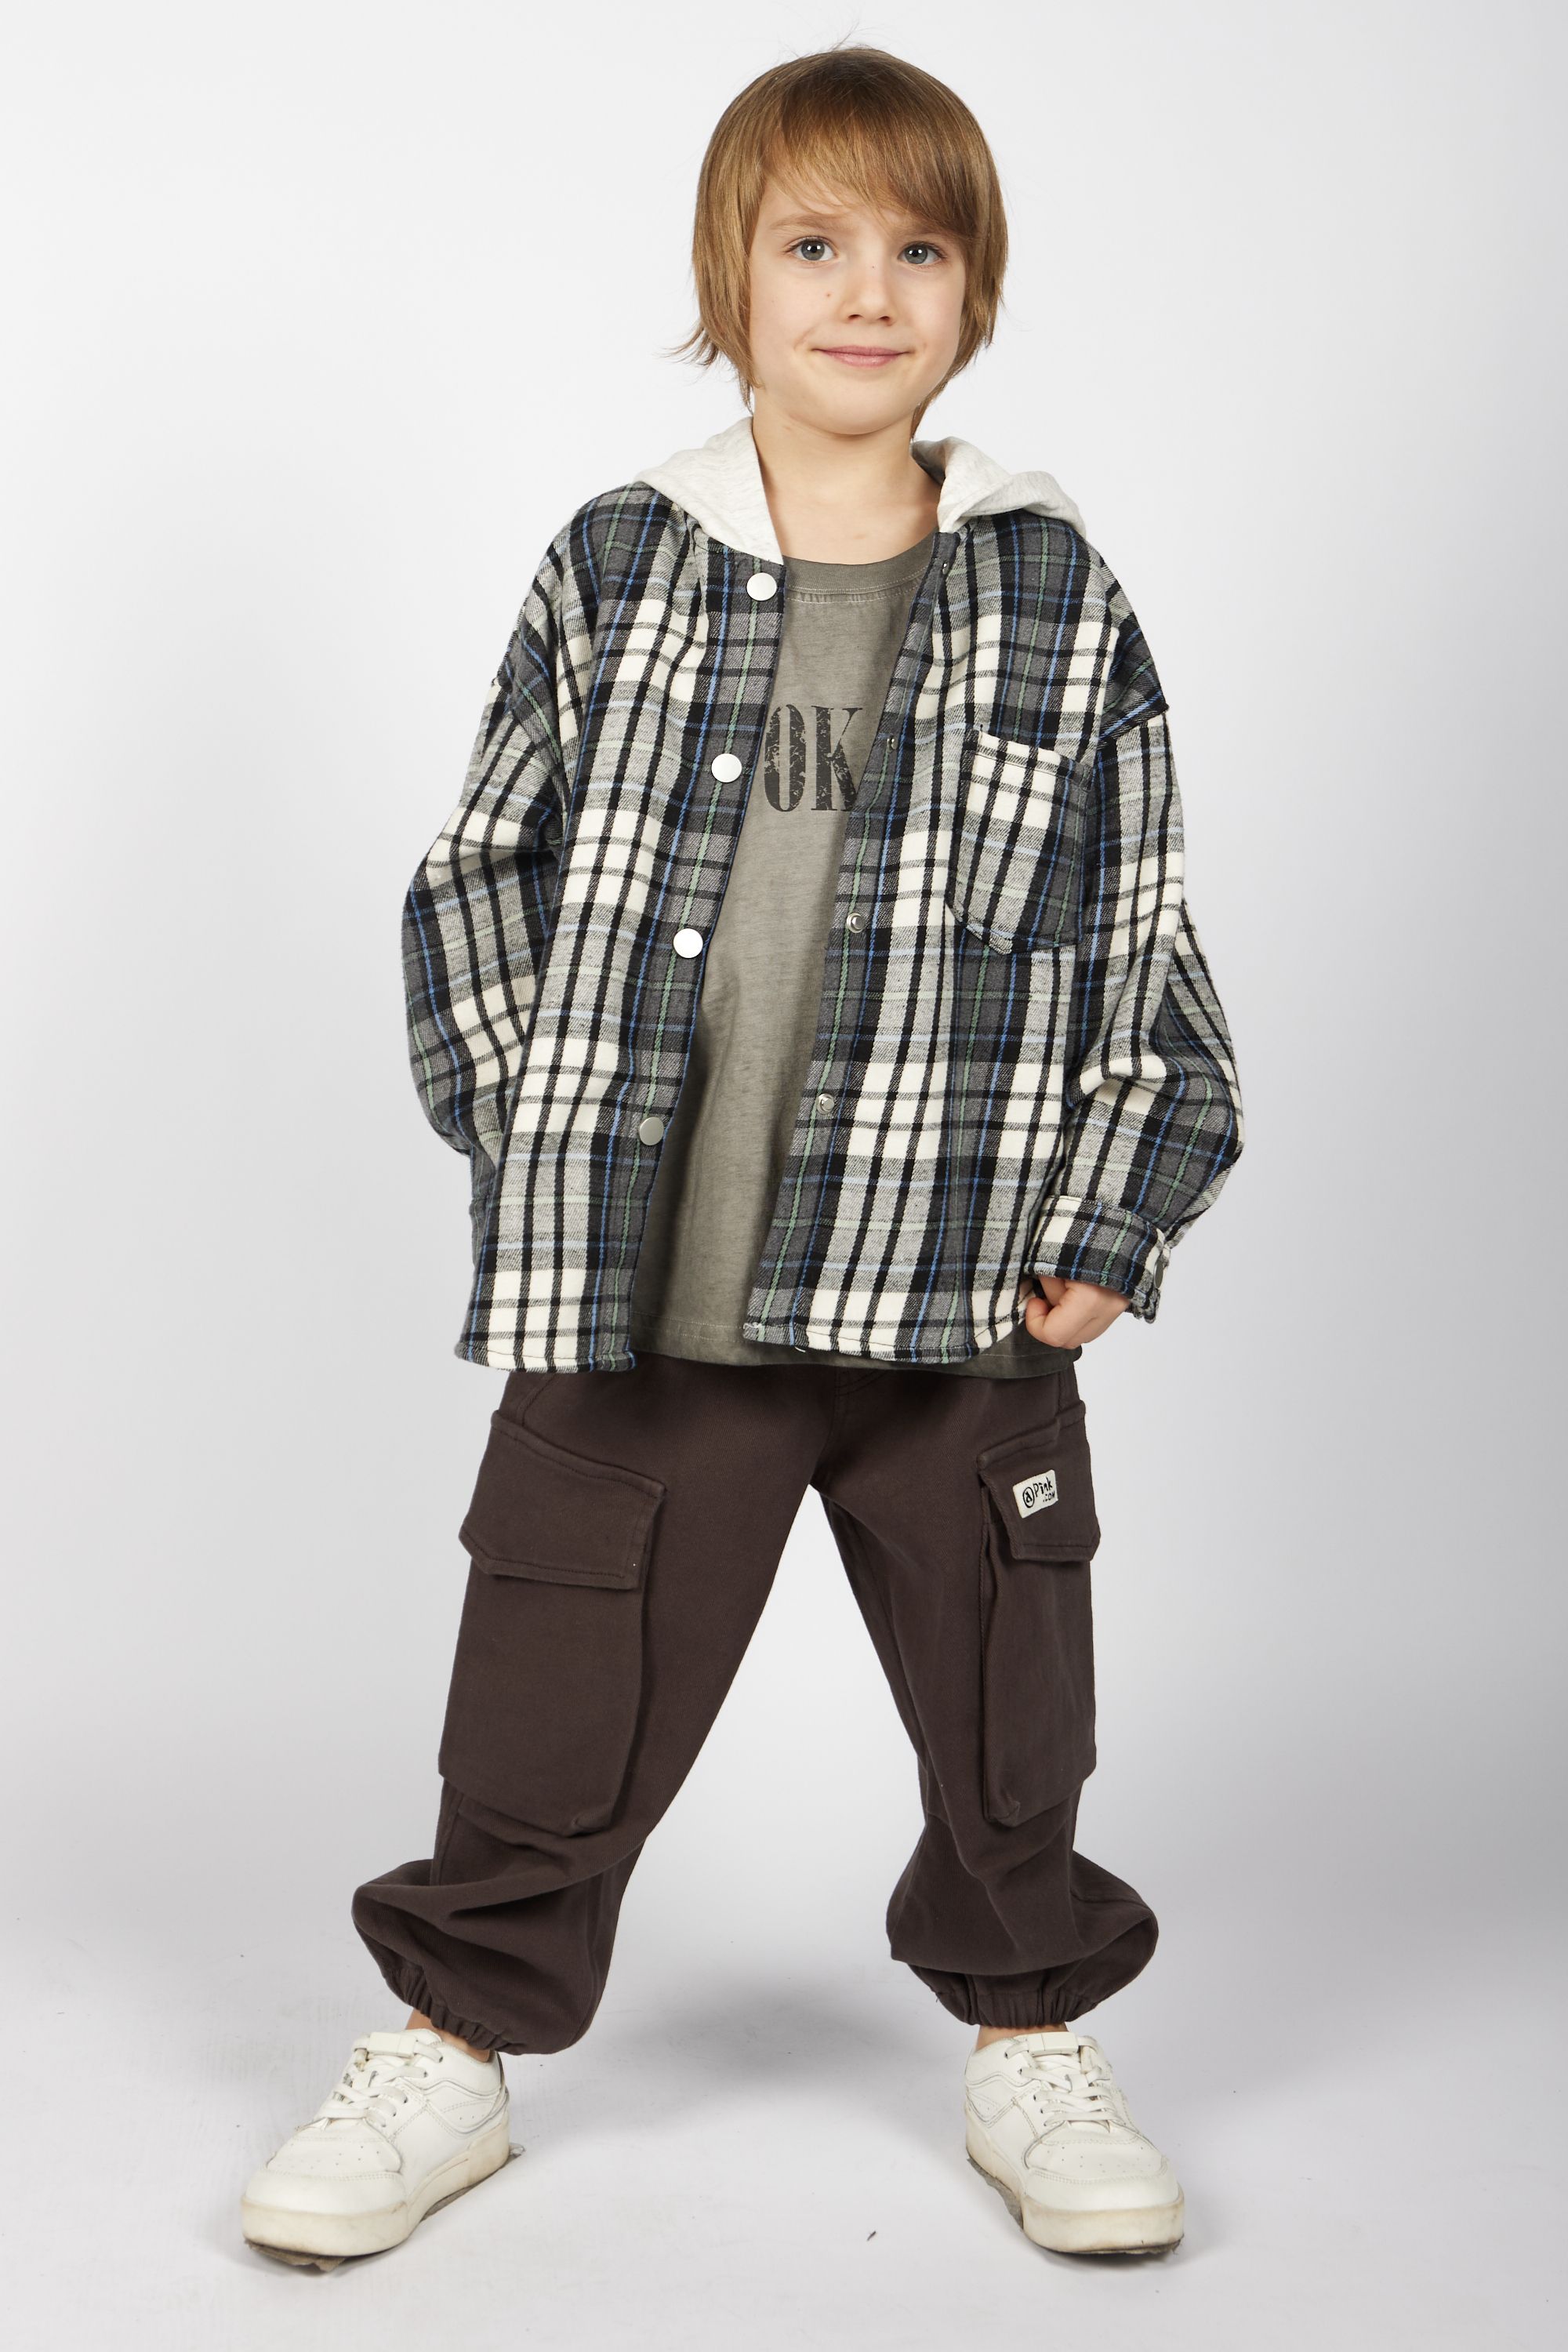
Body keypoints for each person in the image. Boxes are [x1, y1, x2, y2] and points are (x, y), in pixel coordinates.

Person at [240, 42, 1243, 2267]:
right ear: (732, 281)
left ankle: (1032, 2038)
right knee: (548, 1688)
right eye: (814, 245)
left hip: (958, 1276)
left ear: (976, 296)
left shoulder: (1058, 596)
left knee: (1008, 1699)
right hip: (649, 1291)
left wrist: (1122, 1211)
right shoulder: (617, 564)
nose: (868, 292)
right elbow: (475, 878)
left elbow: (1143, 927)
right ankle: (454, 2041)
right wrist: (536, 1141)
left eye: (921, 249)